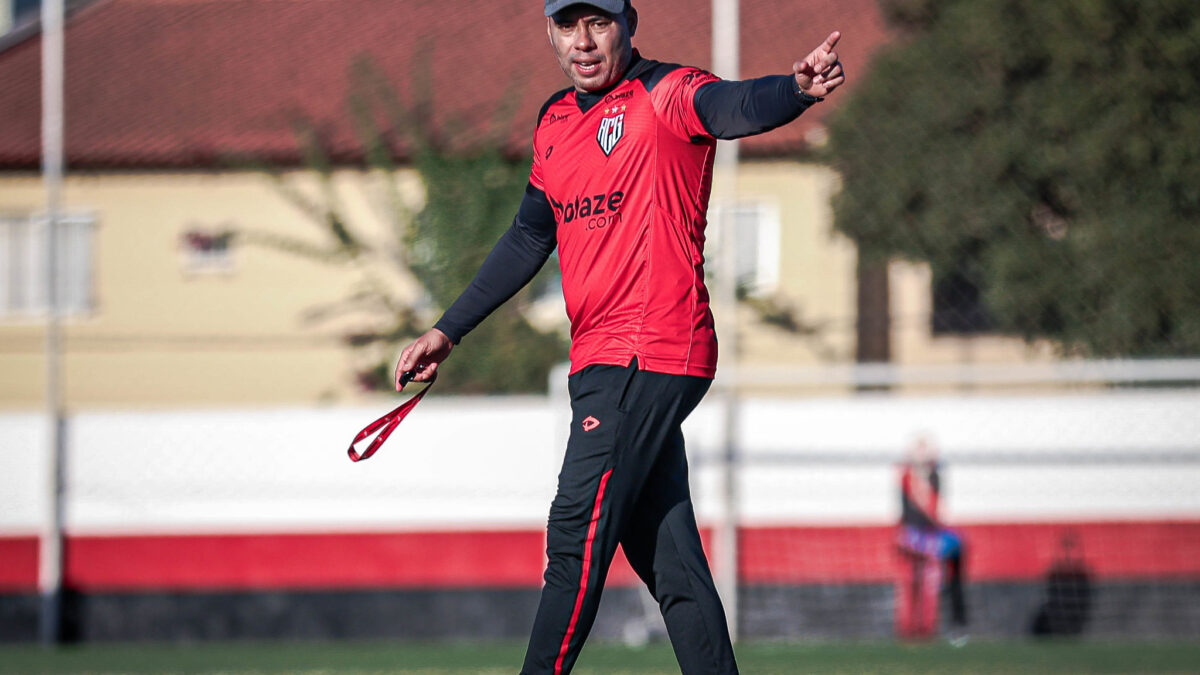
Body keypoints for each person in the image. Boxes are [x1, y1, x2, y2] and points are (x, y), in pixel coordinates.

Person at [396, 2, 844, 672]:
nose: (583, 40)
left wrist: (795, 89)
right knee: (672, 562)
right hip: (604, 363)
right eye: (568, 24)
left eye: (599, 22)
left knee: (575, 533)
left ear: (628, 23)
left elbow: (730, 106)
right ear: (549, 30)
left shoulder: (666, 94)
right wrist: (448, 329)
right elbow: (528, 236)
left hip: (650, 350)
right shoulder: (553, 122)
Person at [896, 435, 969, 644]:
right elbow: (925, 505)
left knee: (956, 550)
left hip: (931, 536)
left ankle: (950, 623)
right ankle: (911, 628)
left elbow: (938, 511)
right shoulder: (907, 477)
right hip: (912, 536)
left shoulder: (935, 476)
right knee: (914, 579)